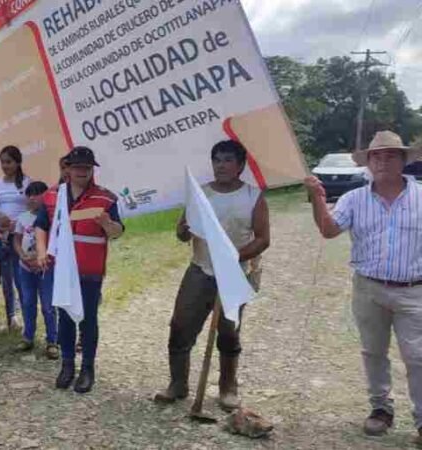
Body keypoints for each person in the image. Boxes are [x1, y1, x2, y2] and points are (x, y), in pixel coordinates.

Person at [305, 130, 422, 445]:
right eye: (377, 156)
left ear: (403, 161)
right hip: (368, 289)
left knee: (418, 356)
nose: (383, 161)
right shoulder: (353, 199)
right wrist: (318, 200)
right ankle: (381, 409)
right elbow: (329, 230)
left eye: (390, 155)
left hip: (415, 291)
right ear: (369, 162)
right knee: (373, 352)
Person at [153, 140, 270, 411]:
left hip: (234, 274)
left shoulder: (253, 197)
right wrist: (181, 228)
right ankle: (177, 384)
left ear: (241, 166)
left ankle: (228, 388)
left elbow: (263, 239)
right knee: (180, 327)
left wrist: (233, 259)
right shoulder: (201, 194)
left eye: (228, 160)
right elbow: (183, 235)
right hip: (200, 270)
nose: (222, 165)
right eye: (217, 160)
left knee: (229, 333)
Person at [35, 146, 124, 393]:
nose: (82, 172)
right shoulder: (53, 196)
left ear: (92, 170)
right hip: (61, 270)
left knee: (87, 320)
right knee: (64, 318)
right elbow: (41, 225)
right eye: (77, 167)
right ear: (68, 169)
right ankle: (66, 365)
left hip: (89, 270)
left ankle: (87, 368)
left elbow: (118, 232)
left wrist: (107, 224)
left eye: (86, 168)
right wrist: (42, 252)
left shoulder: (105, 199)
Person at [14, 181, 58, 359]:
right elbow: (16, 239)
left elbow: (53, 242)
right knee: (27, 302)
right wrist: (22, 255)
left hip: (46, 267)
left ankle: (52, 341)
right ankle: (28, 337)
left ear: (46, 196)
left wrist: (42, 257)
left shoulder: (50, 217)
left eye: (37, 194)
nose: (32, 198)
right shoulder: (22, 218)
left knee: (48, 306)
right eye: (29, 194)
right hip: (25, 268)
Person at [0, 145, 30, 330]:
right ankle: (11, 317)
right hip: (1, 235)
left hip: (20, 235)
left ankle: (27, 317)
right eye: (3, 162)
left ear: (18, 162)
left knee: (20, 276)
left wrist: (19, 223)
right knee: (6, 278)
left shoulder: (26, 183)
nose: (5, 166)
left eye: (9, 162)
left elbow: (32, 208)